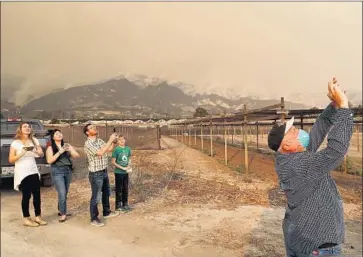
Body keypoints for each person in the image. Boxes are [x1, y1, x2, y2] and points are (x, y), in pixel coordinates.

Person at [267, 77, 354, 257]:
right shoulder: (300, 166)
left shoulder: (291, 159)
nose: (298, 130)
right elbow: (336, 150)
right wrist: (344, 108)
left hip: (304, 241)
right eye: (292, 131)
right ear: (288, 146)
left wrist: (334, 105)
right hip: (317, 246)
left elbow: (319, 129)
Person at [8, 122, 48, 227]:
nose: (27, 128)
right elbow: (11, 159)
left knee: (37, 195)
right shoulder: (15, 143)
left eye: (29, 126)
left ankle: (38, 217)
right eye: (25, 126)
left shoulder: (34, 140)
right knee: (26, 195)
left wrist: (39, 152)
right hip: (22, 172)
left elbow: (41, 154)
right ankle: (26, 218)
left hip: (33, 170)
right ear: (20, 129)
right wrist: (23, 152)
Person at [83, 123, 120, 227]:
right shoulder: (88, 144)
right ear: (87, 132)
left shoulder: (99, 141)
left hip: (104, 171)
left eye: (95, 126)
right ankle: (94, 218)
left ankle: (107, 212)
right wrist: (110, 140)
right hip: (95, 174)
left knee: (106, 193)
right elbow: (100, 152)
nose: (94, 128)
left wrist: (113, 141)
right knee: (96, 197)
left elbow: (109, 149)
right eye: (91, 128)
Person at [46, 129, 80, 222]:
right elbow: (49, 161)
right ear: (53, 137)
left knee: (64, 193)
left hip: (68, 171)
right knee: (62, 193)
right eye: (56, 134)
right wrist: (60, 152)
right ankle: (63, 214)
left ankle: (61, 210)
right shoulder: (50, 148)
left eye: (60, 133)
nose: (59, 134)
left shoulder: (67, 145)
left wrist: (71, 151)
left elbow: (77, 155)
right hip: (57, 171)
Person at [111, 135, 132, 212]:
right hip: (119, 172)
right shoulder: (116, 150)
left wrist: (129, 165)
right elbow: (113, 162)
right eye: (120, 140)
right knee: (119, 189)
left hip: (126, 172)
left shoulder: (128, 149)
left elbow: (129, 158)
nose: (122, 141)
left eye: (123, 139)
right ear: (117, 141)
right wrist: (122, 168)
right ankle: (118, 206)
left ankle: (125, 204)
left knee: (125, 189)